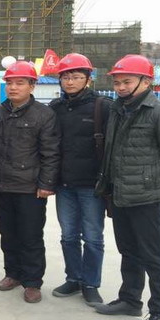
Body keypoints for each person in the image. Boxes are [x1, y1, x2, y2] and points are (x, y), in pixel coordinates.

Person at [94, 54, 160, 320]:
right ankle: (129, 300)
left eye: (127, 81)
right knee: (129, 251)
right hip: (121, 195)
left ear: (146, 81)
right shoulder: (117, 110)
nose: (121, 87)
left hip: (150, 199)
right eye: (117, 82)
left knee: (154, 256)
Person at [0, 60, 59, 304]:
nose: (13, 88)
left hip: (30, 188)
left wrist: (46, 184)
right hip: (0, 185)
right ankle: (13, 274)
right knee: (7, 234)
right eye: (9, 83)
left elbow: (51, 152)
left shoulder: (44, 115)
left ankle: (32, 282)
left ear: (32, 86)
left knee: (30, 237)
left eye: (20, 83)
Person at [48, 53, 112, 306]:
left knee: (93, 237)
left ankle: (91, 284)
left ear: (88, 79)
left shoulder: (102, 107)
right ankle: (73, 278)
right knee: (69, 236)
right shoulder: (55, 108)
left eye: (75, 77)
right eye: (65, 77)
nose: (70, 82)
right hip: (64, 185)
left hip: (91, 186)